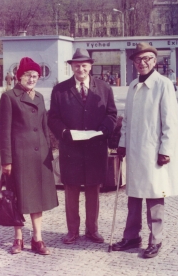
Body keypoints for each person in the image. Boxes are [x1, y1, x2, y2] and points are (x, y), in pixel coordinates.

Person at [112, 42, 178, 258]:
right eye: (138, 60)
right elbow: (126, 120)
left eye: (147, 59)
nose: (142, 63)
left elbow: (170, 121)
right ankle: (132, 236)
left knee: (155, 196)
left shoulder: (163, 85)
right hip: (135, 151)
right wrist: (123, 143)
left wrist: (166, 150)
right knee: (133, 196)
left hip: (154, 153)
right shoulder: (134, 85)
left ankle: (156, 239)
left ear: (155, 61)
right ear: (134, 63)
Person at [48, 48, 117, 244]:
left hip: (95, 148)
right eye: (77, 65)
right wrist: (64, 133)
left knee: (93, 190)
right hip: (71, 149)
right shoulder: (60, 90)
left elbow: (111, 114)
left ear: (91, 66)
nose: (81, 68)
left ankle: (92, 230)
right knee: (71, 190)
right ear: (71, 66)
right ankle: (72, 231)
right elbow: (53, 118)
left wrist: (104, 130)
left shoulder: (104, 88)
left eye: (84, 65)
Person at [0, 57, 58, 255]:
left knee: (37, 198)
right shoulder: (9, 97)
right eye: (28, 75)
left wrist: (48, 153)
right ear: (19, 76)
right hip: (19, 156)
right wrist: (6, 160)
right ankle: (18, 239)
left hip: (39, 155)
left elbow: (44, 127)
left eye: (35, 76)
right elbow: (4, 131)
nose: (32, 79)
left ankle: (37, 239)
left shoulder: (40, 97)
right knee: (16, 197)